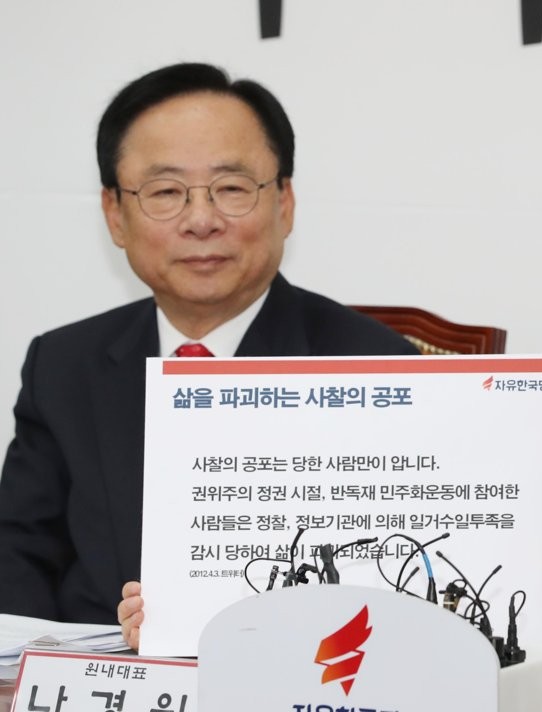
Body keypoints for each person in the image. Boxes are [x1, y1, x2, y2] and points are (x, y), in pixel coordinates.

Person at [0, 63, 418, 630]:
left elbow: (390, 583)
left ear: (285, 203)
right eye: (165, 192)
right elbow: (18, 554)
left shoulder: (378, 369)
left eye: (231, 189)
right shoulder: (63, 365)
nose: (201, 220)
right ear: (115, 215)